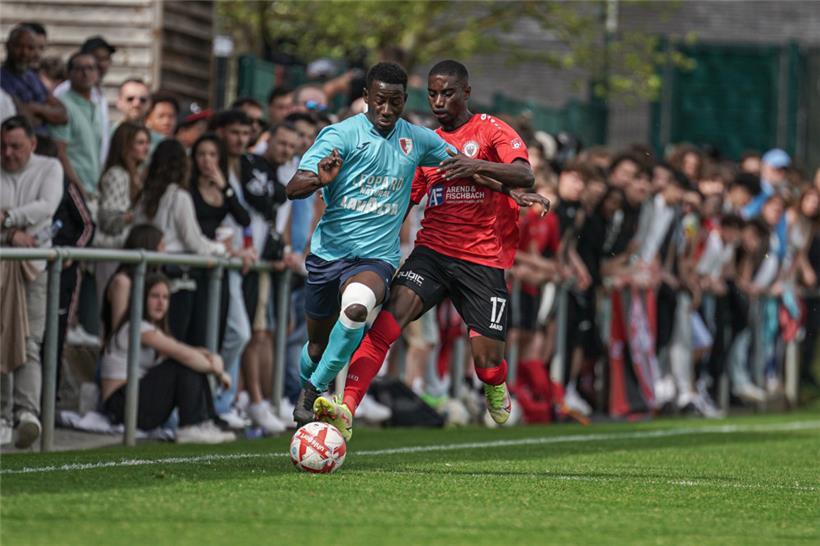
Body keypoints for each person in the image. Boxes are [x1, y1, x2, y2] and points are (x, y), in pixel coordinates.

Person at [304, 60, 543, 437]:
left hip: (481, 259)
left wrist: (478, 168)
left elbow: (524, 172)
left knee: (487, 362)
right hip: (431, 253)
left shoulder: (490, 129)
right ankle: (346, 408)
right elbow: (403, 206)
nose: (438, 100)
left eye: (447, 93)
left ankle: (494, 383)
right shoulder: (419, 144)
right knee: (384, 327)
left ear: (466, 92)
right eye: (432, 93)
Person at [212, 109, 286, 435]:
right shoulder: (216, 163)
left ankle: (230, 402)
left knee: (247, 333)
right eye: (235, 132)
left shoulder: (246, 166)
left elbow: (269, 202)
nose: (242, 139)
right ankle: (225, 402)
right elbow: (239, 213)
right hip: (221, 259)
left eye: (246, 133)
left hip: (246, 260)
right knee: (236, 333)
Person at [100, 273, 236, 444]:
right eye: (154, 296)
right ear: (142, 299)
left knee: (188, 362)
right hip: (119, 406)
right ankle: (191, 426)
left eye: (165, 297)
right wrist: (217, 371)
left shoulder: (154, 329)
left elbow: (188, 350)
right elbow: (181, 353)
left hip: (136, 403)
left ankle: (205, 422)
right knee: (181, 364)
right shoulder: (136, 327)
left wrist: (212, 356)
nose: (161, 303)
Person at [0, 115, 64, 448]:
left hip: (35, 267)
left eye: (16, 147)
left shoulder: (50, 167)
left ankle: (27, 414)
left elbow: (47, 207)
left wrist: (8, 217)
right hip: (2, 264)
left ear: (33, 144)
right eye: (4, 146)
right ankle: (2, 415)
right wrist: (12, 232)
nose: (8, 154)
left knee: (29, 341)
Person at [49, 51, 103, 203]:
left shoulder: (96, 106)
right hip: (72, 190)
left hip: (92, 189)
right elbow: (59, 152)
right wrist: (78, 187)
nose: (85, 73)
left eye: (91, 68)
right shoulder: (62, 105)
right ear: (69, 73)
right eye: (80, 69)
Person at [55, 36, 115, 164]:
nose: (101, 64)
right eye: (96, 58)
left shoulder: (100, 96)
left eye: (105, 59)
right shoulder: (65, 91)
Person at [0, 25, 67, 136]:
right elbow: (22, 119)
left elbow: (63, 115)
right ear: (8, 46)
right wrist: (47, 114)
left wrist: (36, 108)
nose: (24, 53)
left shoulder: (32, 77)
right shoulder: (2, 78)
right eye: (19, 46)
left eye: (30, 48)